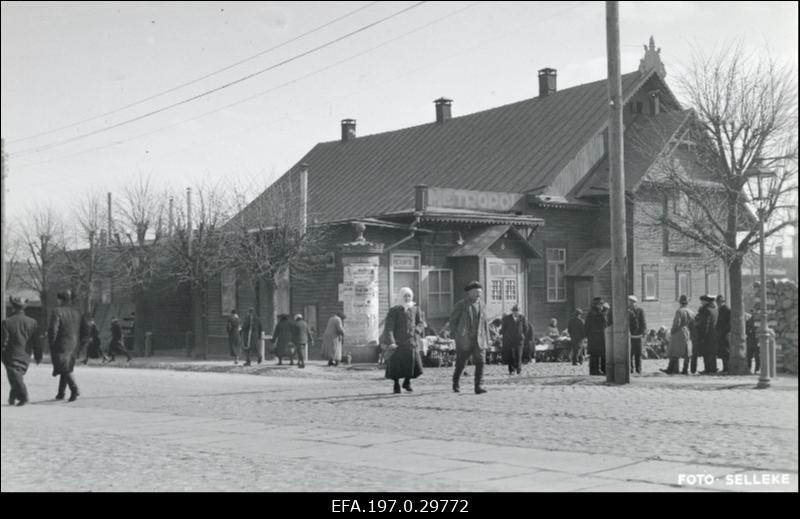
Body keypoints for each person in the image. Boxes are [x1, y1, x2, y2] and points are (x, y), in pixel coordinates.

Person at [382, 287, 424, 393]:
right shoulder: (394, 310)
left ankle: (407, 382)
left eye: (409, 296)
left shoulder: (415, 308)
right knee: (396, 364)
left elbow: (421, 322)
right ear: (401, 297)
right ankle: (396, 384)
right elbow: (389, 328)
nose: (407, 298)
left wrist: (417, 330)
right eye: (405, 296)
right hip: (398, 343)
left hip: (411, 342)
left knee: (412, 363)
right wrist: (391, 342)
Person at [450, 281, 489, 394]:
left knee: (481, 362)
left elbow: (485, 323)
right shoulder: (461, 305)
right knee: (461, 363)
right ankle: (455, 382)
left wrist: (487, 339)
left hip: (479, 339)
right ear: (469, 293)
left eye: (480, 293)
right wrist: (456, 335)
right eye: (476, 292)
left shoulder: (482, 305)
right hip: (465, 339)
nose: (479, 295)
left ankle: (478, 386)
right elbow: (453, 321)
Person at [2, 296, 42, 406]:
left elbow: (4, 341)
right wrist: (38, 356)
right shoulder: (33, 322)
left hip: (10, 355)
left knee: (14, 376)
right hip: (26, 355)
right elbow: (37, 341)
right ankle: (12, 397)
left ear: (13, 308)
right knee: (16, 375)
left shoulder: (7, 322)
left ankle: (23, 396)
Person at [48, 291, 87, 402]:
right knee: (66, 367)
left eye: (58, 299)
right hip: (74, 345)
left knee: (64, 368)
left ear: (60, 300)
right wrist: (81, 343)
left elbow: (53, 329)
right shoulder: (78, 312)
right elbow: (85, 329)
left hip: (61, 344)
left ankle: (74, 389)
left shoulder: (57, 311)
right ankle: (61, 393)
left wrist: (51, 343)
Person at [662, 295, 694, 375]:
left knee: (674, 351)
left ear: (680, 302)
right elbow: (693, 322)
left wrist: (672, 331)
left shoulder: (679, 311)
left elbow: (677, 323)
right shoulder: (691, 312)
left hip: (679, 332)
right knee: (687, 352)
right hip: (687, 331)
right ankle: (685, 369)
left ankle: (671, 369)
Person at [500, 305, 532, 375]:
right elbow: (503, 329)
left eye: (517, 311)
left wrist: (522, 335)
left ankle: (518, 369)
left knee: (519, 354)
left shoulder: (522, 318)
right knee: (511, 355)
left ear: (519, 312)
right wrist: (506, 337)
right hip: (510, 340)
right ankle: (511, 370)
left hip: (519, 339)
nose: (516, 313)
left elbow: (526, 328)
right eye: (514, 311)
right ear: (512, 311)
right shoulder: (506, 318)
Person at [695, 295, 719, 374]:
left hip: (707, 335)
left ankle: (708, 369)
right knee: (712, 353)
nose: (701, 302)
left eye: (702, 301)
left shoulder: (706, 310)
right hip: (714, 334)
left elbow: (705, 324)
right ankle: (713, 368)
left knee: (706, 353)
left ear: (706, 301)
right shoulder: (715, 309)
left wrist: (702, 335)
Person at [585, 297, 608, 376]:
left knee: (600, 354)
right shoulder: (594, 313)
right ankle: (595, 370)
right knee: (596, 355)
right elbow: (603, 323)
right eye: (600, 304)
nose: (601, 306)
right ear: (597, 305)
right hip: (596, 337)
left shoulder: (594, 313)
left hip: (597, 337)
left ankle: (600, 369)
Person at [628, 295, 647, 374]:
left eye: (633, 302)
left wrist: (643, 332)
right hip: (630, 335)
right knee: (630, 353)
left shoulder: (640, 311)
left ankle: (638, 369)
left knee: (638, 354)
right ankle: (630, 369)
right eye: (630, 302)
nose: (632, 304)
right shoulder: (627, 311)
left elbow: (643, 322)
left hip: (638, 335)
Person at [716, 294, 731, 373]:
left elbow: (728, 322)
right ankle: (725, 367)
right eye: (718, 302)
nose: (718, 303)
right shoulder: (720, 309)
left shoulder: (726, 310)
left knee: (725, 351)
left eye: (720, 302)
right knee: (722, 351)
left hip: (725, 333)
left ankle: (727, 367)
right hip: (721, 333)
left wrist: (726, 332)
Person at [745, 309, 760, 374]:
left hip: (757, 340)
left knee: (757, 356)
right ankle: (749, 368)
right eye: (752, 312)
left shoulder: (759, 320)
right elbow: (746, 329)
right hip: (750, 340)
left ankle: (757, 369)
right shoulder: (749, 320)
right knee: (749, 355)